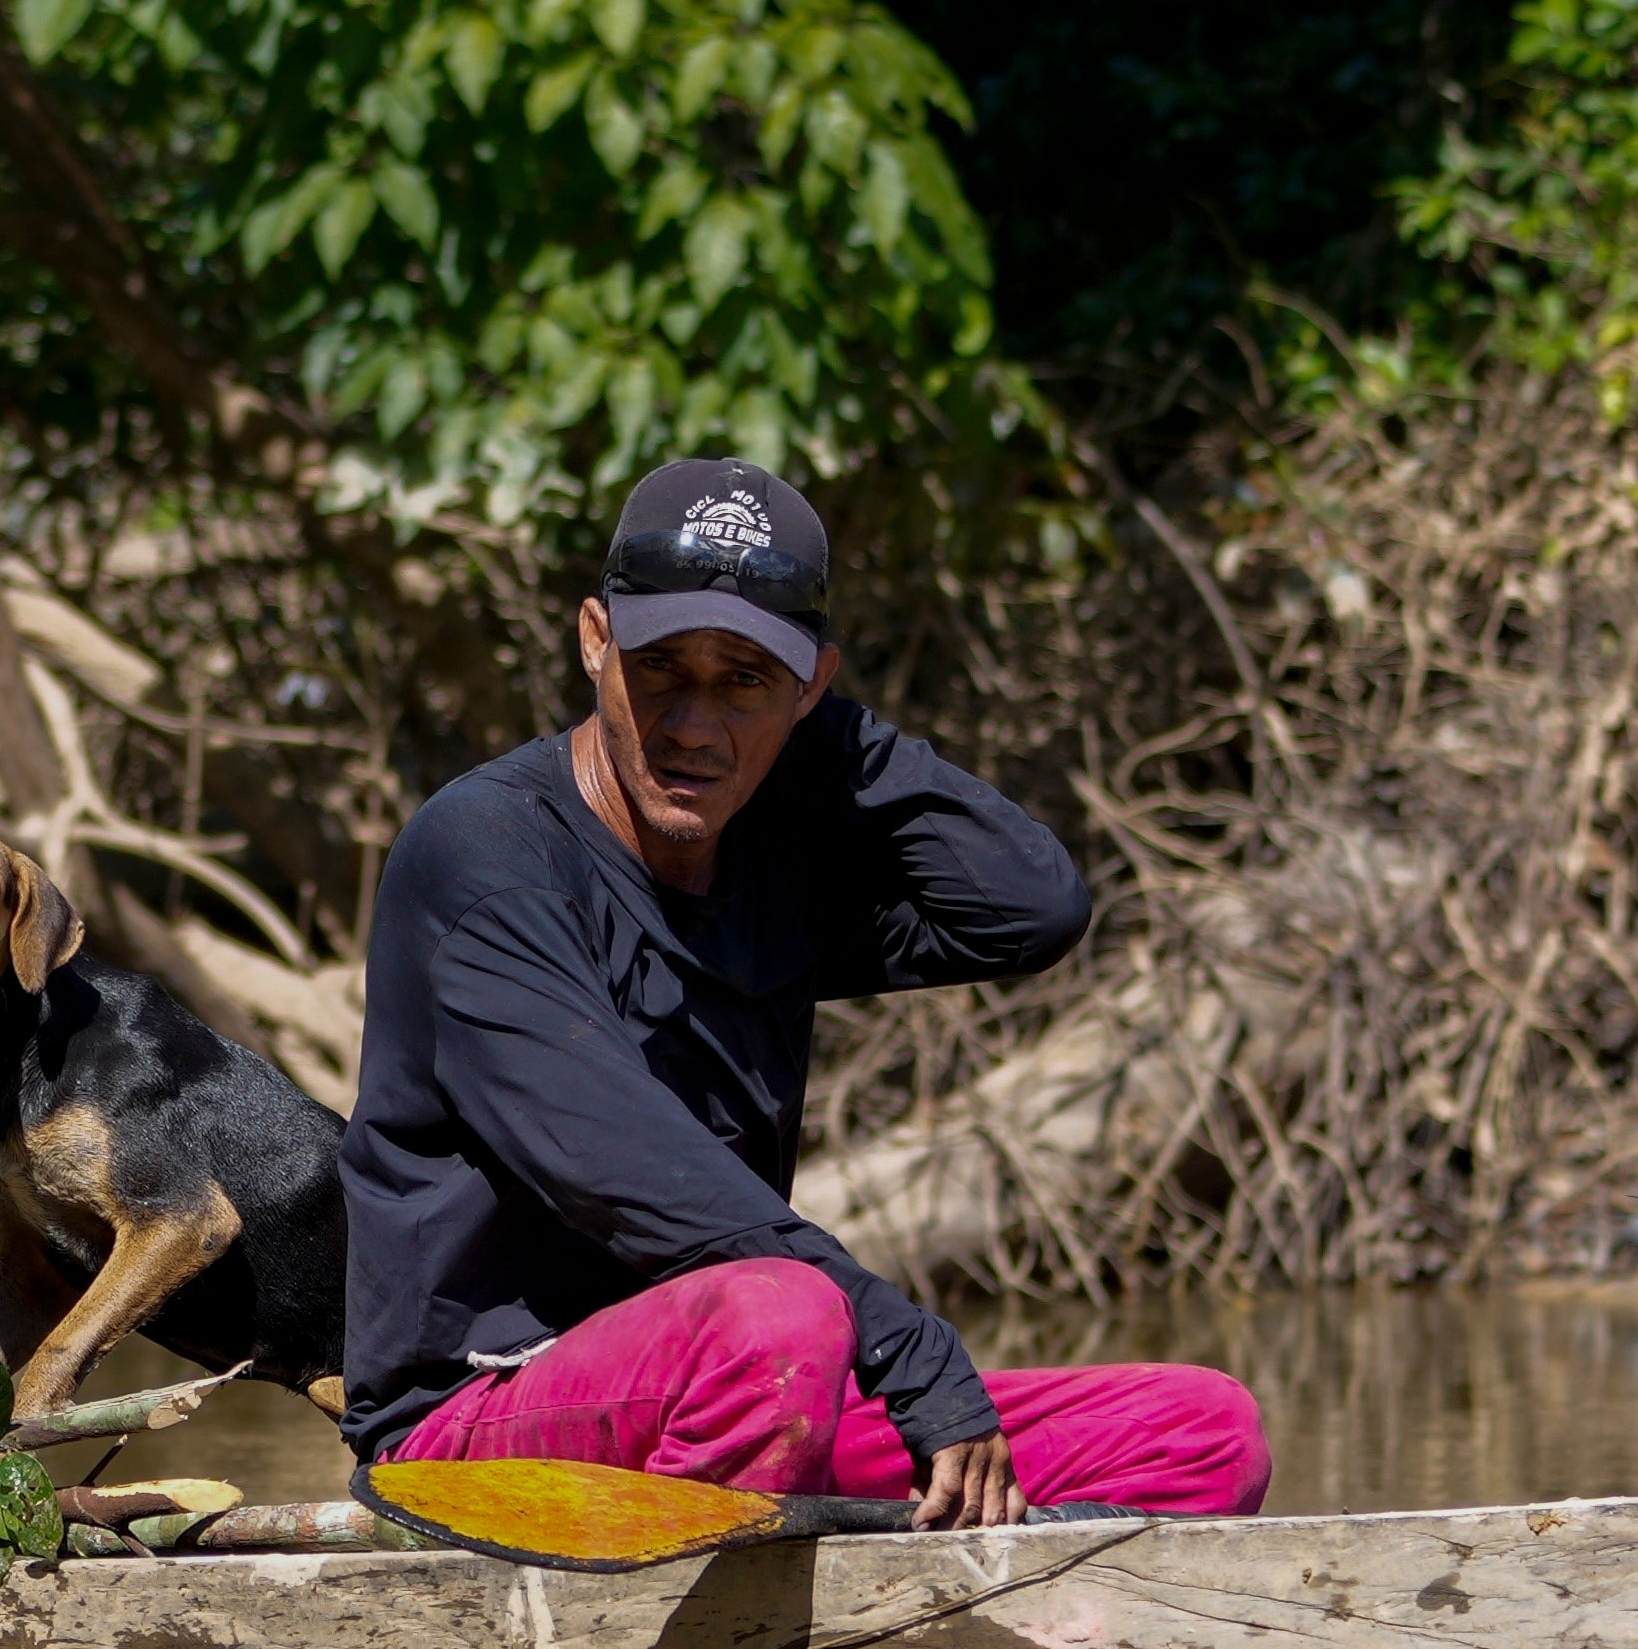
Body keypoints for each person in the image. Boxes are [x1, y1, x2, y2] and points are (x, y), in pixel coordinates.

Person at [340, 458, 1267, 1522]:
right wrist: (901, 1341)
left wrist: (822, 734)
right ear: (593, 639)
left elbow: (1027, 909)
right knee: (781, 1321)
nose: (694, 725)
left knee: (1204, 1430)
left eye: (744, 680)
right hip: (481, 1419)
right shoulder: (482, 855)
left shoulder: (767, 860)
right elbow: (621, 1168)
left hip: (752, 1397)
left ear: (812, 685)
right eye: (662, 670)